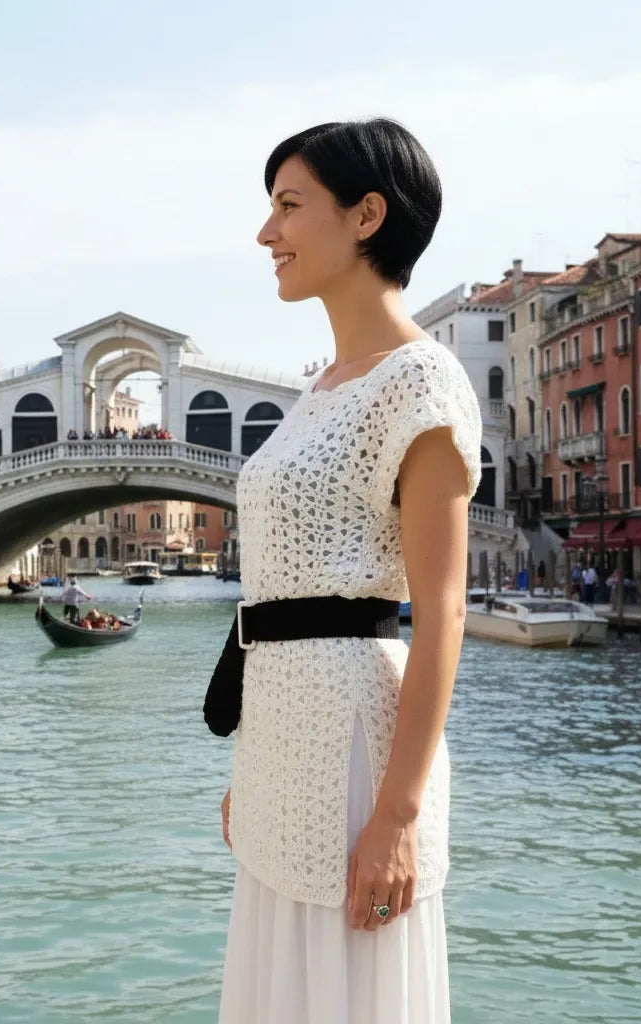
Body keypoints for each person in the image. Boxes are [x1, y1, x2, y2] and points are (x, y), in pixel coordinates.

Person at [215, 119, 482, 1023]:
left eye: (288, 207)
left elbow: (440, 612)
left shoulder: (423, 382)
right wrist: (252, 766)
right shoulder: (318, 389)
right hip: (284, 744)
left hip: (362, 758)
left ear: (366, 215)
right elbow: (286, 595)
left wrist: (397, 817)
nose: (266, 234)